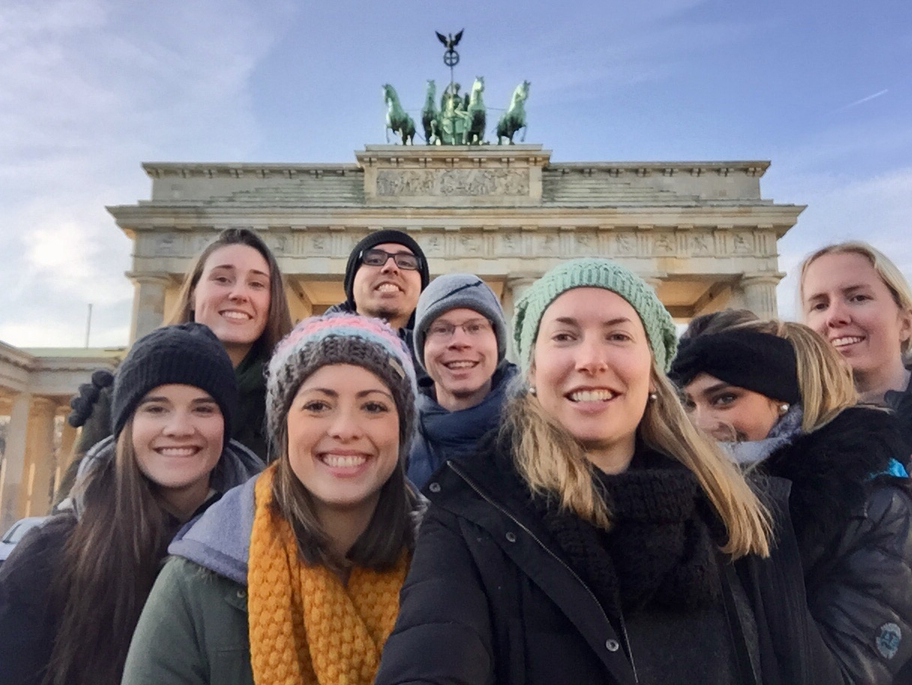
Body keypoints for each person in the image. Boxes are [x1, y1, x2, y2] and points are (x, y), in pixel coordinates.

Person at [376, 258, 843, 685]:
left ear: (653, 369)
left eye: (618, 335)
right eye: (564, 336)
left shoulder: (745, 513)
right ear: (532, 369)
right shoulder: (466, 515)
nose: (591, 360)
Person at [0, 323, 263, 685]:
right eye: (156, 409)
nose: (180, 427)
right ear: (125, 425)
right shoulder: (54, 551)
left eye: (203, 409)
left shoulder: (263, 544)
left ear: (225, 424)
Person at [121, 313, 424, 685]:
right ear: (283, 426)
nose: (345, 429)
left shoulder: (453, 568)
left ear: (402, 429)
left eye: (374, 407)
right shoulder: (195, 582)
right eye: (317, 405)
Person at [670, 319, 912, 682]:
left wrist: (758, 520)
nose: (699, 424)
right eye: (687, 403)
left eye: (725, 399)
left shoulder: (875, 506)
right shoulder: (683, 493)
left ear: (783, 402)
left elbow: (844, 675)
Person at [55, 228, 291, 504]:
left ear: (272, 302)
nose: (239, 293)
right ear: (192, 294)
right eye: (222, 279)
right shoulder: (122, 394)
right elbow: (71, 510)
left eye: (257, 284)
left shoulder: (290, 403)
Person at [408, 273, 518, 488]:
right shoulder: (395, 437)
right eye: (442, 329)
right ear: (423, 345)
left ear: (497, 341)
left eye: (475, 327)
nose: (459, 342)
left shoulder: (548, 432)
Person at [799, 241, 912, 450]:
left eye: (858, 298)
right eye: (820, 305)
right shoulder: (787, 436)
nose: (834, 317)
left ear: (905, 324)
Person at [325, 229, 430, 363]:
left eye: (405, 263)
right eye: (374, 260)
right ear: (352, 285)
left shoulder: (447, 359)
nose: (391, 267)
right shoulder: (303, 356)